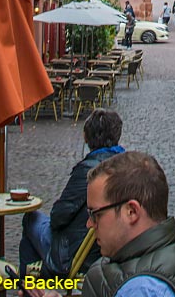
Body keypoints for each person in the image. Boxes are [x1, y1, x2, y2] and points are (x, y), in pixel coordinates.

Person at [80, 152, 175, 297]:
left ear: (131, 212)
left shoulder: (141, 290)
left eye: (96, 214)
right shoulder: (168, 251)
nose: (89, 224)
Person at [19, 109, 124, 275]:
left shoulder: (90, 171)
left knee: (31, 219)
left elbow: (59, 217)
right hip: (102, 250)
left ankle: (31, 287)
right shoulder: (126, 166)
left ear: (86, 138)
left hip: (75, 253)